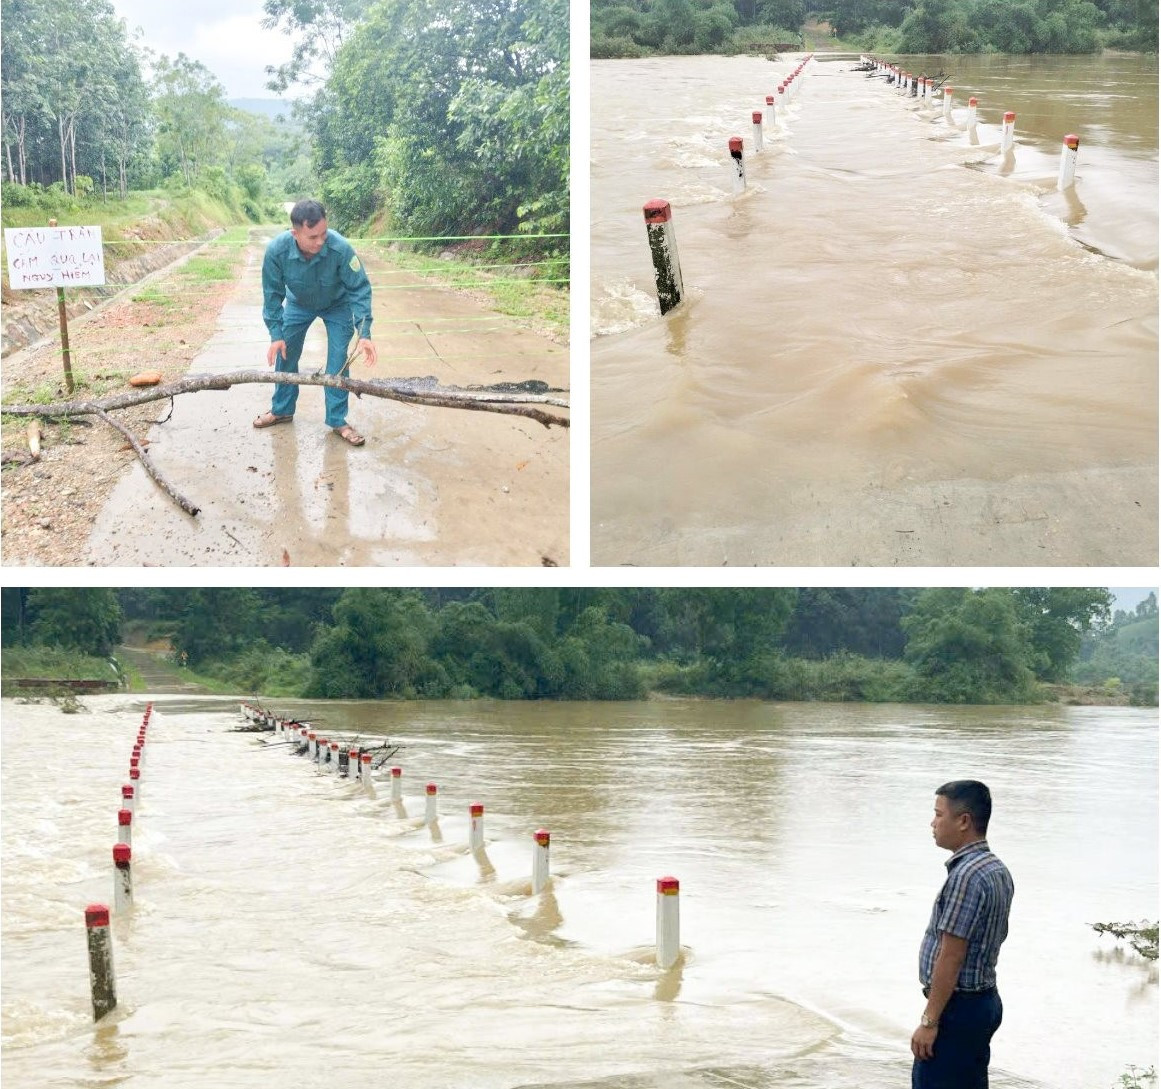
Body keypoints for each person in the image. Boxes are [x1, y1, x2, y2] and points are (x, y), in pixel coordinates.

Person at [912, 780, 1014, 1089]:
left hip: (957, 1009)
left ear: (964, 821)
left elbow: (951, 955)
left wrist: (929, 1022)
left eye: (939, 814)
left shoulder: (966, 876)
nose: (933, 822)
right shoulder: (996, 869)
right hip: (982, 1002)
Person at [255, 198, 378, 445]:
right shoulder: (276, 252)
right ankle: (281, 410)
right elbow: (272, 296)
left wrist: (364, 332)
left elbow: (360, 289)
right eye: (312, 237)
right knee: (285, 352)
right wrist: (276, 334)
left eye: (323, 233)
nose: (320, 241)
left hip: (337, 305)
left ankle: (338, 421)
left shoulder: (341, 248)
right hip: (298, 304)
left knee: (337, 362)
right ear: (295, 233)